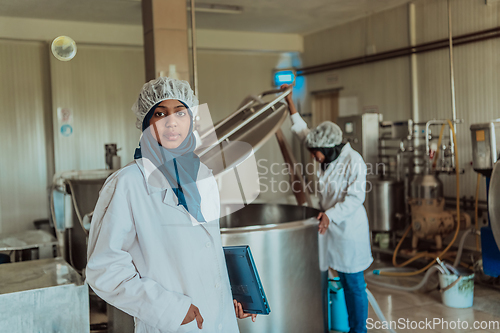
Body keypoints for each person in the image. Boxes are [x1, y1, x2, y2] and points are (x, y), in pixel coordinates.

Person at [86, 77, 255, 333]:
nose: (171, 122)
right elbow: (104, 270)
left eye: (180, 113)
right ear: (146, 123)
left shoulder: (203, 175)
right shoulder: (128, 183)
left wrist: (226, 297)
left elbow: (206, 252)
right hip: (172, 325)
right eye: (160, 114)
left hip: (220, 321)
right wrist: (169, 309)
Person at [281, 84, 373, 333]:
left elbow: (355, 199)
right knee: (336, 279)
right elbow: (303, 133)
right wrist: (290, 102)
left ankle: (358, 330)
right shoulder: (325, 150)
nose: (313, 157)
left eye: (316, 154)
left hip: (348, 230)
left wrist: (330, 216)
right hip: (329, 228)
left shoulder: (354, 162)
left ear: (330, 150)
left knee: (353, 284)